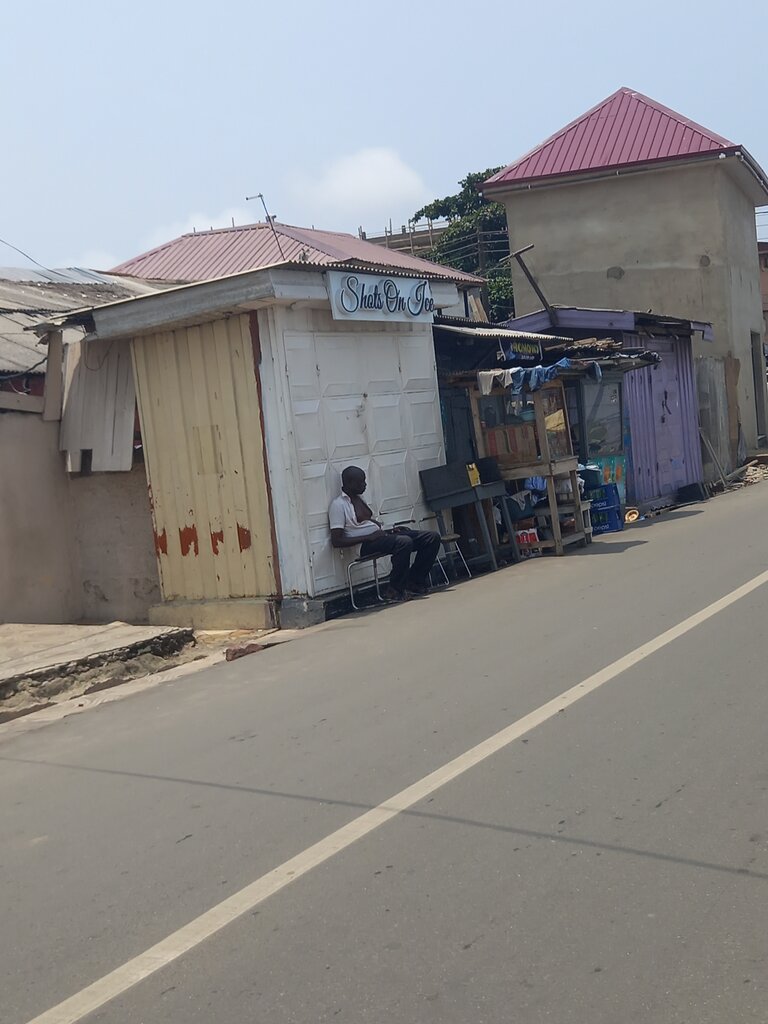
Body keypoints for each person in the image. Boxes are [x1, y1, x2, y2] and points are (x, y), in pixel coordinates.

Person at [329, 466, 441, 601]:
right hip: (363, 545)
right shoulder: (338, 505)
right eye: (361, 482)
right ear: (349, 483)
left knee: (431, 537)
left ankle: (414, 582)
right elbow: (336, 541)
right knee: (403, 542)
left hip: (379, 537)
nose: (365, 485)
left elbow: (368, 524)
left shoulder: (360, 499)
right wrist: (368, 537)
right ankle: (394, 590)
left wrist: (390, 530)